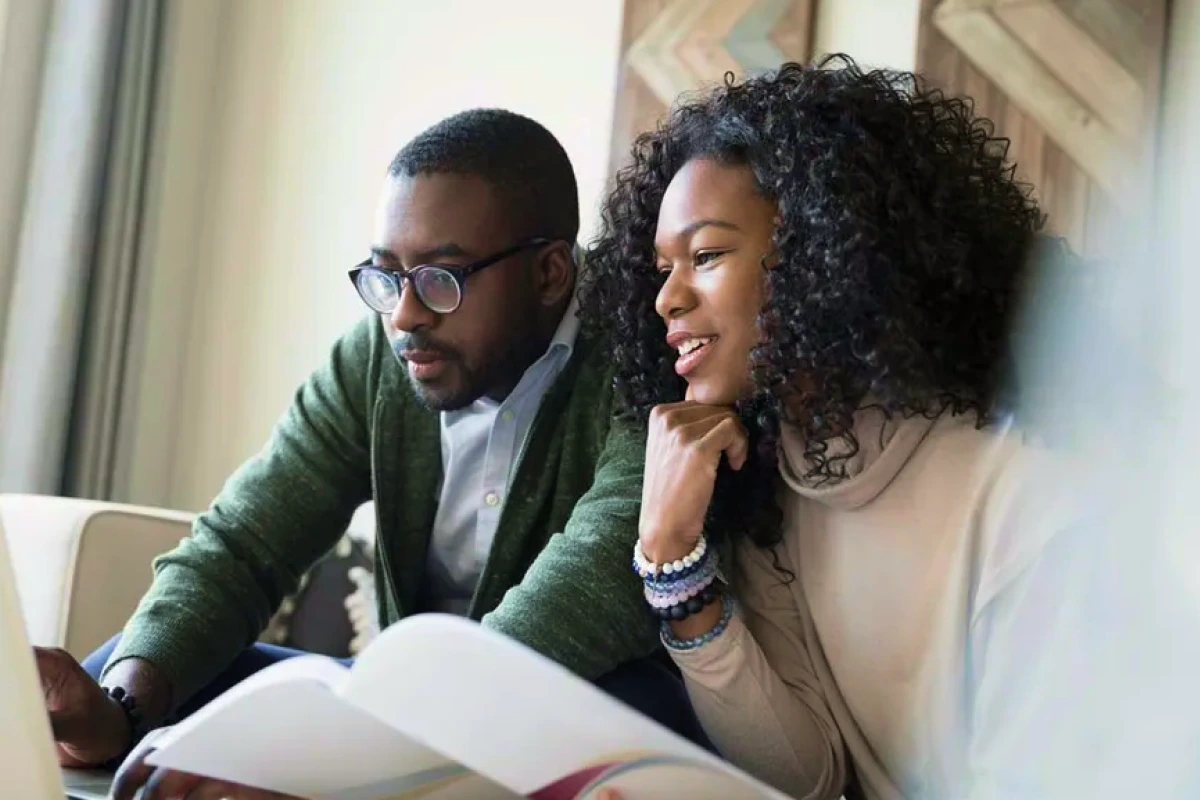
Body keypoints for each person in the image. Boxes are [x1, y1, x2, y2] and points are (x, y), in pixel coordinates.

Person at [36, 109, 708, 800]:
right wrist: (123, 710)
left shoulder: (646, 351)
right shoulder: (384, 356)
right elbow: (245, 543)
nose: (405, 314)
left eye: (442, 278)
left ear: (549, 273)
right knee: (137, 670)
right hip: (405, 704)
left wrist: (347, 758)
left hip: (582, 707)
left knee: (604, 709)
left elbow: (590, 590)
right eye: (387, 275)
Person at [581, 57, 1113, 799]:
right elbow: (810, 775)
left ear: (823, 248)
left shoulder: (1030, 497)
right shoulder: (774, 480)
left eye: (705, 255)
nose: (667, 299)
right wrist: (674, 563)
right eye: (662, 268)